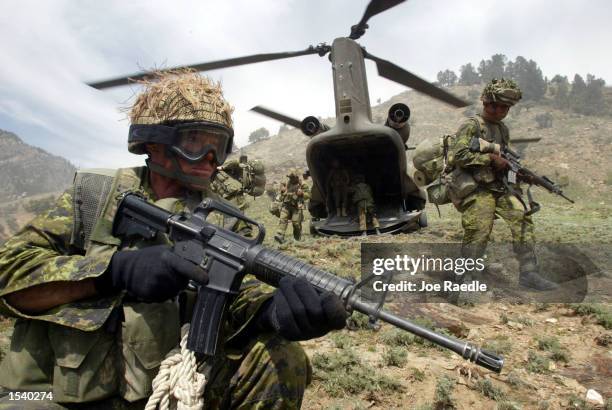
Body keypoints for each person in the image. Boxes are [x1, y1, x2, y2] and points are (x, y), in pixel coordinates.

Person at [0, 71, 347, 409]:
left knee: (281, 358)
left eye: (218, 148)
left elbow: (241, 291)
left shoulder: (223, 216)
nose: (209, 160)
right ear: (154, 142)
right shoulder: (95, 195)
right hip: (53, 394)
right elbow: (9, 272)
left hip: (170, 388)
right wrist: (112, 272)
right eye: (195, 143)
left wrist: (270, 312)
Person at [447, 78, 557, 291]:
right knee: (479, 229)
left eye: (505, 107)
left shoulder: (503, 130)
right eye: (495, 106)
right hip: (477, 187)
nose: (500, 111)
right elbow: (458, 155)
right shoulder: (471, 125)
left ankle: (529, 273)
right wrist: (489, 160)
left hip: (499, 187)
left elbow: (504, 159)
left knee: (522, 219)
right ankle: (467, 277)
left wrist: (517, 172)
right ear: (486, 103)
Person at [274, 169, 310, 243]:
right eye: (290, 178)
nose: (291, 179)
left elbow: (308, 195)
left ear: (296, 177)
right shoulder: (287, 183)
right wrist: (282, 191)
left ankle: (297, 238)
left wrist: (302, 194)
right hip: (286, 205)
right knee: (283, 219)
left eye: (292, 178)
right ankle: (280, 235)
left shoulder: (303, 184)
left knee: (296, 223)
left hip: (297, 207)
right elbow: (282, 195)